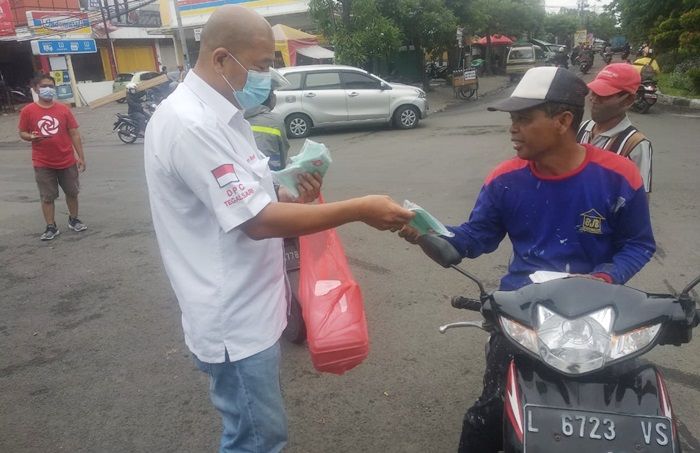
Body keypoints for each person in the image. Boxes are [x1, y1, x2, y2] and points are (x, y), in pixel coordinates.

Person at [143, 5, 414, 453]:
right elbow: (258, 221)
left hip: (255, 304)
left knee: (259, 433)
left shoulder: (227, 116)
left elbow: (259, 199)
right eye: (263, 65)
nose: (269, 77)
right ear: (221, 59)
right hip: (234, 318)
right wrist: (359, 209)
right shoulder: (190, 124)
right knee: (257, 440)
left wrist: (292, 194)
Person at [399, 66, 655, 452]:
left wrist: (606, 277)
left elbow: (638, 244)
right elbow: (473, 239)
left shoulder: (619, 176)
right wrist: (426, 234)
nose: (512, 129)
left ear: (563, 121)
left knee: (624, 415)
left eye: (524, 119)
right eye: (512, 120)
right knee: (488, 415)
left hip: (601, 312)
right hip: (523, 313)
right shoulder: (505, 179)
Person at [18, 74, 87, 241]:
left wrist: (81, 157)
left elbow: (74, 133)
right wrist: (30, 137)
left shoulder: (64, 109)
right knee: (47, 196)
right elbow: (22, 132)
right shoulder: (28, 111)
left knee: (72, 192)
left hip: (67, 159)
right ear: (35, 89)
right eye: (43, 86)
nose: (47, 89)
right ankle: (51, 226)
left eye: (50, 86)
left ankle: (74, 219)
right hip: (43, 161)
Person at [577, 63, 653, 196]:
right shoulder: (581, 128)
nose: (593, 99)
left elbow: (640, 199)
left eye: (603, 95)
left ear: (628, 100)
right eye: (593, 92)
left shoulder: (635, 144)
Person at [244, 75, 289, 171]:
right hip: (271, 175)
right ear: (267, 97)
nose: (274, 96)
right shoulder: (275, 121)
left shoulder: (237, 116)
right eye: (272, 93)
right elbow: (283, 154)